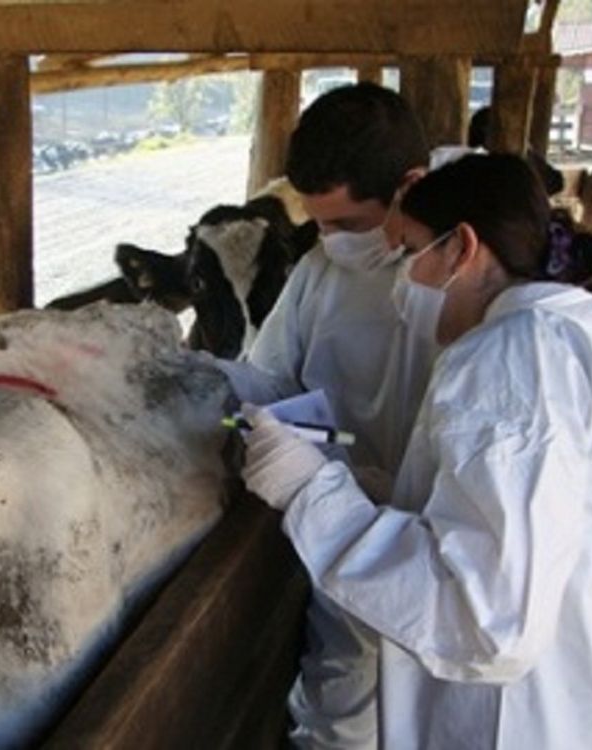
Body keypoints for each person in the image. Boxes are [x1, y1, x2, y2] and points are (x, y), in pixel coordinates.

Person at [241, 153, 592, 749]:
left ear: (462, 249)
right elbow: (513, 528)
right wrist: (383, 491)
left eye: (410, 254)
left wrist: (312, 494)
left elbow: (487, 618)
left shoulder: (514, 355)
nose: (401, 284)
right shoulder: (552, 344)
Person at [214, 83, 433, 748]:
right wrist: (202, 378)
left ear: (410, 187)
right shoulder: (318, 273)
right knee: (341, 719)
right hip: (342, 534)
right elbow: (272, 376)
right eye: (320, 223)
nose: (330, 239)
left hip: (435, 544)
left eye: (348, 224)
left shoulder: (457, 286)